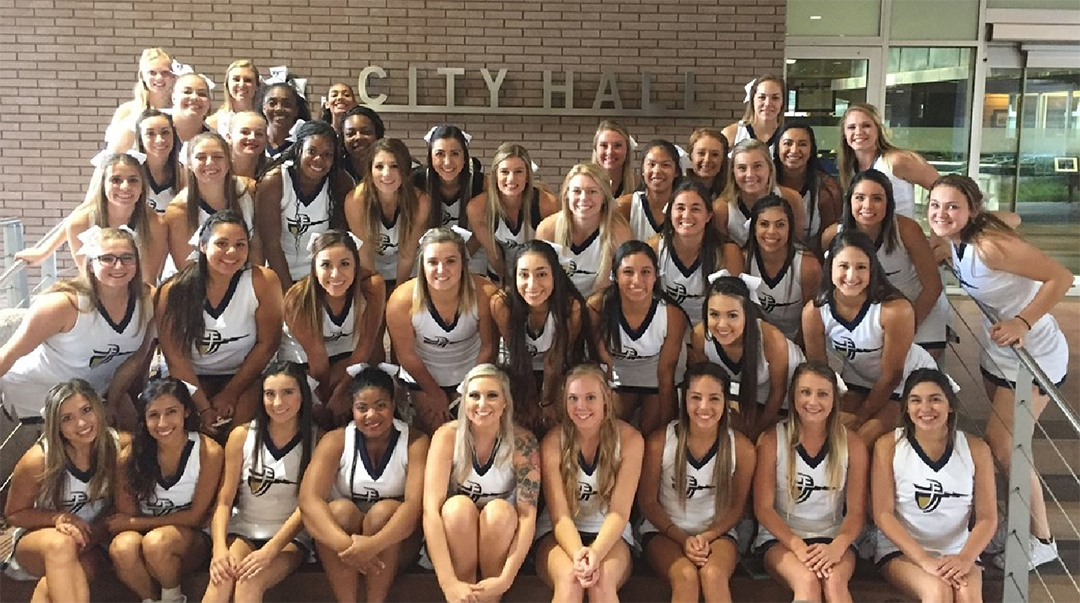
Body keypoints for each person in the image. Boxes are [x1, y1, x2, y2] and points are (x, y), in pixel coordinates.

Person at [928, 174, 1071, 568]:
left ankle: (1042, 539)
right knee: (1003, 446)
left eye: (953, 206)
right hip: (998, 354)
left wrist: (1022, 322)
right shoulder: (960, 239)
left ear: (971, 210)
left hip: (1033, 354)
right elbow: (1013, 218)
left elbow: (1061, 277)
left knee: (1007, 448)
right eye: (936, 205)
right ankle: (1010, 524)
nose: (941, 213)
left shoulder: (989, 246)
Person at [0, 227, 154, 435]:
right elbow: (8, 355)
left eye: (127, 257)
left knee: (134, 439)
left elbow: (136, 358)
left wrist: (113, 402)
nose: (119, 265)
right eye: (107, 258)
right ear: (90, 264)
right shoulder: (61, 305)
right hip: (38, 393)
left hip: (92, 392)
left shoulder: (148, 300)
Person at [298, 365, 429, 603]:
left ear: (393, 405)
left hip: (396, 541)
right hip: (346, 545)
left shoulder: (415, 441)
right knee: (339, 511)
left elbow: (414, 507)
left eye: (381, 405)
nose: (371, 416)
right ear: (352, 409)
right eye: (362, 408)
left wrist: (372, 546)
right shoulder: (336, 440)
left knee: (384, 512)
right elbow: (309, 500)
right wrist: (351, 547)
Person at [802, 231, 941, 445]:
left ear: (872, 270)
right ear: (830, 267)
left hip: (907, 381)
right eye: (843, 266)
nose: (851, 276)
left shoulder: (895, 310)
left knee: (860, 439)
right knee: (826, 434)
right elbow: (819, 371)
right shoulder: (814, 311)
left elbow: (892, 375)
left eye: (861, 267)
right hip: (859, 379)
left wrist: (861, 414)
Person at [872, 369, 996, 603]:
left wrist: (965, 558)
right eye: (916, 400)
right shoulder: (888, 446)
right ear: (906, 408)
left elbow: (987, 517)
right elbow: (883, 514)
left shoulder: (976, 449)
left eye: (935, 399)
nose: (925, 408)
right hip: (903, 552)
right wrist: (924, 560)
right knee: (937, 592)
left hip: (959, 550)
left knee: (968, 595)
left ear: (950, 406)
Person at [155, 210, 283, 436]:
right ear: (203, 246)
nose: (232, 252)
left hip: (242, 376)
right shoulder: (174, 290)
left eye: (240, 244)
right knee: (191, 427)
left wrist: (231, 392)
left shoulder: (263, 281)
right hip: (191, 378)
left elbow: (268, 344)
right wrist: (203, 407)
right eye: (222, 243)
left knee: (239, 429)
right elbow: (175, 359)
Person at [422, 364, 541, 603]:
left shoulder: (523, 442)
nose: (482, 404)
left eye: (492, 395)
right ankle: (461, 594)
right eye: (474, 395)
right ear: (464, 401)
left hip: (500, 533)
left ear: (505, 402)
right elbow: (430, 511)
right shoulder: (447, 437)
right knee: (457, 508)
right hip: (456, 531)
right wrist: (448, 583)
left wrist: (505, 578)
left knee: (499, 512)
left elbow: (527, 515)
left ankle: (490, 598)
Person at [638, 362, 755, 603]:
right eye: (696, 397)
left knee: (713, 575)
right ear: (684, 399)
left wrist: (708, 536)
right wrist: (683, 539)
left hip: (718, 534)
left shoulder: (742, 448)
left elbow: (737, 507)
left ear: (725, 402)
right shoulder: (661, 441)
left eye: (714, 398)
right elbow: (648, 503)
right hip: (665, 533)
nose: (704, 407)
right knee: (685, 576)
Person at [752, 362, 868, 603]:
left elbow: (857, 511)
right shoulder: (772, 440)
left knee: (835, 582)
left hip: (834, 536)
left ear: (835, 399)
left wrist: (837, 547)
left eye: (822, 394)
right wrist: (797, 546)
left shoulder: (853, 445)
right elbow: (763, 508)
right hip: (782, 537)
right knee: (807, 581)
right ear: (793, 396)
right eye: (805, 392)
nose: (813, 402)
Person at [202, 362, 316, 603]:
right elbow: (224, 500)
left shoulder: (318, 439)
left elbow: (307, 507)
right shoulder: (242, 436)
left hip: (288, 539)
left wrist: (270, 551)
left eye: (288, 392)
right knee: (222, 578)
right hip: (243, 530)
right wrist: (219, 549)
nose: (277, 403)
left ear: (303, 395)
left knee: (250, 581)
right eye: (269, 394)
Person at [3, 380, 124, 603]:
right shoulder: (39, 460)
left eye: (86, 410)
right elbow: (14, 514)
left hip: (94, 540)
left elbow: (124, 504)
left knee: (72, 576)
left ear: (98, 407)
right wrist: (58, 517)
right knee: (62, 544)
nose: (81, 423)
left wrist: (94, 534)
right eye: (66, 418)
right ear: (55, 425)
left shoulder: (119, 446)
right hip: (41, 541)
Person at [107, 378, 224, 603]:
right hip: (147, 538)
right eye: (153, 415)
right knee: (122, 548)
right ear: (144, 418)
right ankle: (150, 599)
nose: (162, 423)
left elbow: (195, 517)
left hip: (189, 541)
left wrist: (135, 524)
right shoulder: (130, 456)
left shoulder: (208, 451)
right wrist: (132, 525)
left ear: (186, 412)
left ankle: (173, 597)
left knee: (157, 543)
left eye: (171, 412)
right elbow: (124, 515)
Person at [534, 364, 644, 603]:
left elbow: (619, 512)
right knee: (571, 580)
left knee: (601, 582)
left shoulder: (630, 440)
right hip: (559, 535)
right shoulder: (553, 441)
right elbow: (559, 516)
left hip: (611, 535)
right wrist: (579, 556)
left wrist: (594, 553)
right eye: (573, 398)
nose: (581, 406)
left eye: (590, 397)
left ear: (606, 399)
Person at [822, 170, 947, 357]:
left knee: (917, 379)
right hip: (869, 321)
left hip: (918, 312)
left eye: (877, 198)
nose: (867, 205)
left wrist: (906, 327)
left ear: (889, 202)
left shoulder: (907, 230)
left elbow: (933, 287)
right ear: (849, 201)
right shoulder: (832, 235)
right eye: (860, 197)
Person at [385, 227, 496, 434]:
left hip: (471, 372)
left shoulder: (484, 293)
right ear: (422, 265)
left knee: (474, 429)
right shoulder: (401, 300)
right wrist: (433, 392)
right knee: (436, 430)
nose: (441, 269)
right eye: (433, 262)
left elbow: (488, 349)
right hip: (425, 376)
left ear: (463, 263)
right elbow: (406, 355)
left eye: (451, 261)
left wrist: (467, 389)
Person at [280, 231, 386, 423]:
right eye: (326, 265)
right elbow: (317, 361)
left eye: (345, 264)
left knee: (364, 391)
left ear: (356, 264)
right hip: (304, 363)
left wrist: (343, 391)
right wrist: (327, 402)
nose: (336, 274)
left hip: (347, 359)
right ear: (314, 268)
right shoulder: (296, 299)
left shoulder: (373, 287)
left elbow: (365, 346)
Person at [490, 240, 594, 433]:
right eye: (524, 275)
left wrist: (546, 403)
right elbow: (518, 356)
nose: (532, 284)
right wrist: (527, 402)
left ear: (555, 275)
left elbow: (554, 361)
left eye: (541, 274)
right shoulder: (502, 304)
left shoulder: (570, 308)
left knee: (556, 421)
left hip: (558, 373)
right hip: (520, 371)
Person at [689, 273, 804, 441]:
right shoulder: (700, 336)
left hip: (788, 399)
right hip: (748, 396)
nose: (722, 324)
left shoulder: (772, 341)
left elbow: (778, 392)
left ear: (747, 314)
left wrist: (756, 432)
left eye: (732, 315)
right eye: (714, 314)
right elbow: (708, 383)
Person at [589, 241, 688, 436]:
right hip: (618, 372)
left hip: (654, 372)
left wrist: (665, 431)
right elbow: (603, 365)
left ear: (656, 276)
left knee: (651, 431)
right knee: (609, 429)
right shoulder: (597, 307)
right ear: (615, 276)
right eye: (628, 272)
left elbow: (665, 373)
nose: (637, 281)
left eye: (645, 272)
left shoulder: (672, 315)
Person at [256, 120, 352, 290]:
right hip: (279, 274)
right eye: (312, 151)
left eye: (327, 154)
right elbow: (270, 244)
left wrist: (320, 285)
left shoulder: (340, 182)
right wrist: (289, 291)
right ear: (299, 149)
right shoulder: (276, 181)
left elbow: (337, 240)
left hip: (320, 277)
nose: (318, 159)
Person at [650, 180, 743, 329]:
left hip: (714, 332)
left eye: (695, 209)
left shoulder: (727, 252)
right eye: (680, 208)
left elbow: (734, 309)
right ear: (670, 213)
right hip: (668, 330)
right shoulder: (655, 247)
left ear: (708, 216)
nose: (686, 215)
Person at [64, 152, 169, 282]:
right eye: (116, 180)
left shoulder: (156, 225)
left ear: (142, 186)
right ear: (103, 185)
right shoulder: (79, 224)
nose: (125, 187)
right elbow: (88, 278)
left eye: (133, 180)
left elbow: (148, 281)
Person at [164, 132, 261, 271]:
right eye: (201, 157)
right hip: (196, 283)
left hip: (241, 276)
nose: (210, 162)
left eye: (217, 156)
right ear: (190, 164)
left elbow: (257, 250)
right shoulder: (178, 210)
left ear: (229, 161)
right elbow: (187, 268)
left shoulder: (249, 190)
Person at [466, 143, 559, 284]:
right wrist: (508, 286)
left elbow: (549, 255)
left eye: (518, 172)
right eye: (504, 172)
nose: (511, 179)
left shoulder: (547, 205)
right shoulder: (478, 207)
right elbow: (494, 254)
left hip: (535, 278)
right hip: (499, 276)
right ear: (495, 175)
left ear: (528, 175)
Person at [344, 138, 431, 289]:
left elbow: (407, 254)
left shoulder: (420, 201)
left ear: (405, 169)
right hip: (371, 267)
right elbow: (365, 254)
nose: (386, 174)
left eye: (394, 166)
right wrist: (375, 292)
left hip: (408, 269)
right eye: (379, 166)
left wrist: (398, 293)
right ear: (370, 170)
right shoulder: (356, 201)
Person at [536, 163, 631, 297]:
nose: (584, 198)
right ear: (567, 194)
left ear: (604, 196)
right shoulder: (548, 229)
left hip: (599, 306)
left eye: (592, 191)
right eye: (577, 191)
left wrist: (586, 313)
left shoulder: (618, 232)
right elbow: (540, 280)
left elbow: (606, 290)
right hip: (559, 304)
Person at [741, 194, 822, 344]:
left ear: (790, 228)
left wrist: (793, 351)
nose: (771, 231)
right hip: (756, 341)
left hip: (796, 342)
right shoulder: (742, 261)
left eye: (780, 225)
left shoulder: (808, 266)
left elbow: (813, 321)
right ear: (753, 228)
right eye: (764, 224)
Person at [837, 103, 940, 219]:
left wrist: (938, 229)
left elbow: (944, 190)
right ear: (844, 134)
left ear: (878, 129)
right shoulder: (848, 169)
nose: (858, 132)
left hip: (900, 235)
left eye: (866, 125)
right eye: (851, 127)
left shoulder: (896, 161)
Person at [714, 139, 805, 249]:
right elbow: (722, 254)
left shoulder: (791, 199)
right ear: (733, 172)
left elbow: (796, 245)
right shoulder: (721, 209)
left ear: (770, 168)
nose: (750, 175)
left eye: (757, 166)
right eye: (742, 168)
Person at [773, 121, 841, 253]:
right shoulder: (764, 182)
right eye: (788, 143)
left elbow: (829, 241)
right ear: (777, 148)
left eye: (802, 144)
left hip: (810, 259)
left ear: (811, 150)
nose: (794, 150)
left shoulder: (827, 188)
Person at [106, 48, 176, 152]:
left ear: (173, 76)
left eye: (165, 72)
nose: (159, 78)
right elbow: (112, 153)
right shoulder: (126, 112)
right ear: (142, 76)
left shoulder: (179, 111)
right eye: (152, 72)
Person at [617, 139, 681, 242]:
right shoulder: (626, 206)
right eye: (651, 164)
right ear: (642, 170)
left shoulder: (685, 208)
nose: (657, 171)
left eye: (665, 165)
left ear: (676, 171)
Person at [135, 109, 183, 215]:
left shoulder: (184, 175)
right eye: (150, 133)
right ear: (140, 139)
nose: (160, 140)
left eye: (165, 132)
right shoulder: (129, 172)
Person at [722, 75, 786, 151]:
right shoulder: (732, 134)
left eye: (775, 98)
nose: (768, 103)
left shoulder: (787, 136)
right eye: (762, 97)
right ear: (752, 100)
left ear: (782, 102)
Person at [259, 80, 311, 159]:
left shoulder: (304, 144)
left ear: (296, 110)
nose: (279, 109)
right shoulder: (256, 142)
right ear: (263, 108)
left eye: (287, 104)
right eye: (272, 103)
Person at [207, 60, 260, 136]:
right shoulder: (213, 123)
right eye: (236, 79)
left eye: (248, 80)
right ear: (227, 85)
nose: (242, 84)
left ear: (257, 86)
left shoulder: (265, 121)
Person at [340, 106, 385, 185]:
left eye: (366, 132)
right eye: (350, 134)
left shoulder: (394, 167)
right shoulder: (336, 172)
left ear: (377, 135)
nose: (358, 137)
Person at [591, 120, 636, 199]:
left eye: (617, 145)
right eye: (604, 145)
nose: (610, 152)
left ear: (627, 150)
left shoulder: (638, 186)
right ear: (595, 149)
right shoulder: (581, 185)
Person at [684, 127, 729, 203]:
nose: (707, 160)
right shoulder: (678, 190)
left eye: (715, 154)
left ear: (723, 158)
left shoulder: (731, 192)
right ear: (690, 156)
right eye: (701, 153)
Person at [170, 73, 214, 144]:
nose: (194, 97)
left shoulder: (213, 140)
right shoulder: (152, 126)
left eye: (201, 94)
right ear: (173, 97)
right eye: (187, 92)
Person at [226, 110, 270, 180]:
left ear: (267, 139)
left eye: (259, 134)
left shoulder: (273, 170)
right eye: (245, 132)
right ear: (229, 137)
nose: (252, 137)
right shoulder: (218, 169)